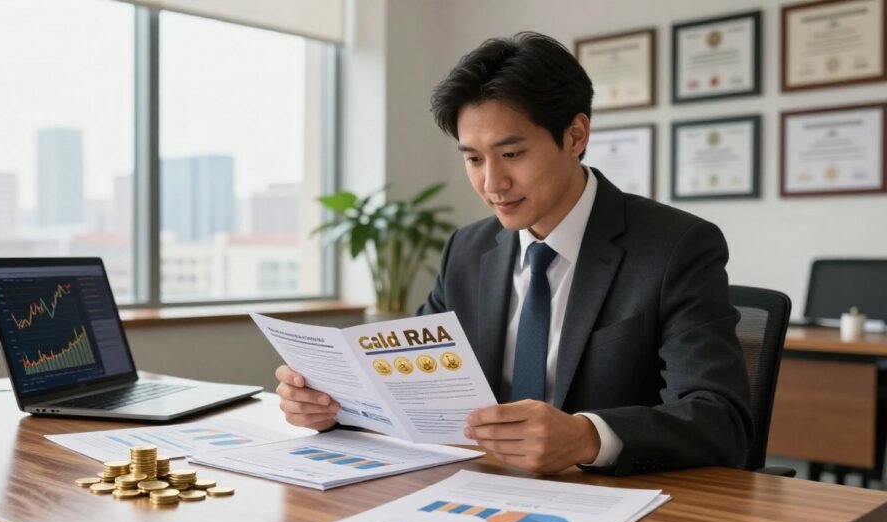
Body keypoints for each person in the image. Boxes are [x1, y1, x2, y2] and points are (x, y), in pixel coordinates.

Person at [274, 31, 752, 476]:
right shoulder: (468, 249)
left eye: (512, 154)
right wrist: (332, 407)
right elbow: (411, 384)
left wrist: (588, 437)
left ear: (575, 136)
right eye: (474, 159)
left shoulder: (675, 247)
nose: (491, 183)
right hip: (482, 492)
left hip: (618, 507)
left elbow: (720, 418)